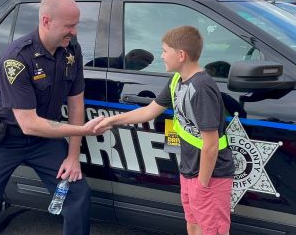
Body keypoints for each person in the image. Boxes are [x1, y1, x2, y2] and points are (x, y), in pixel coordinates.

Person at [0, 0, 107, 235]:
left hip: (45, 142)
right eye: (69, 26)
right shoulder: (17, 58)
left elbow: (76, 103)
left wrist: (73, 156)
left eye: (76, 25)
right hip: (5, 141)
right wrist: (84, 130)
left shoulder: (72, 50)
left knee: (77, 197)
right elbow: (29, 124)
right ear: (47, 21)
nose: (75, 31)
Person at [94, 25, 235, 235]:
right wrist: (111, 121)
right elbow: (149, 111)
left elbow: (211, 146)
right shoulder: (177, 80)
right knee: (193, 224)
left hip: (210, 177)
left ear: (181, 55)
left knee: (211, 230)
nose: (161, 56)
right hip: (190, 171)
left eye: (164, 51)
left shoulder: (202, 88)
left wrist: (203, 186)